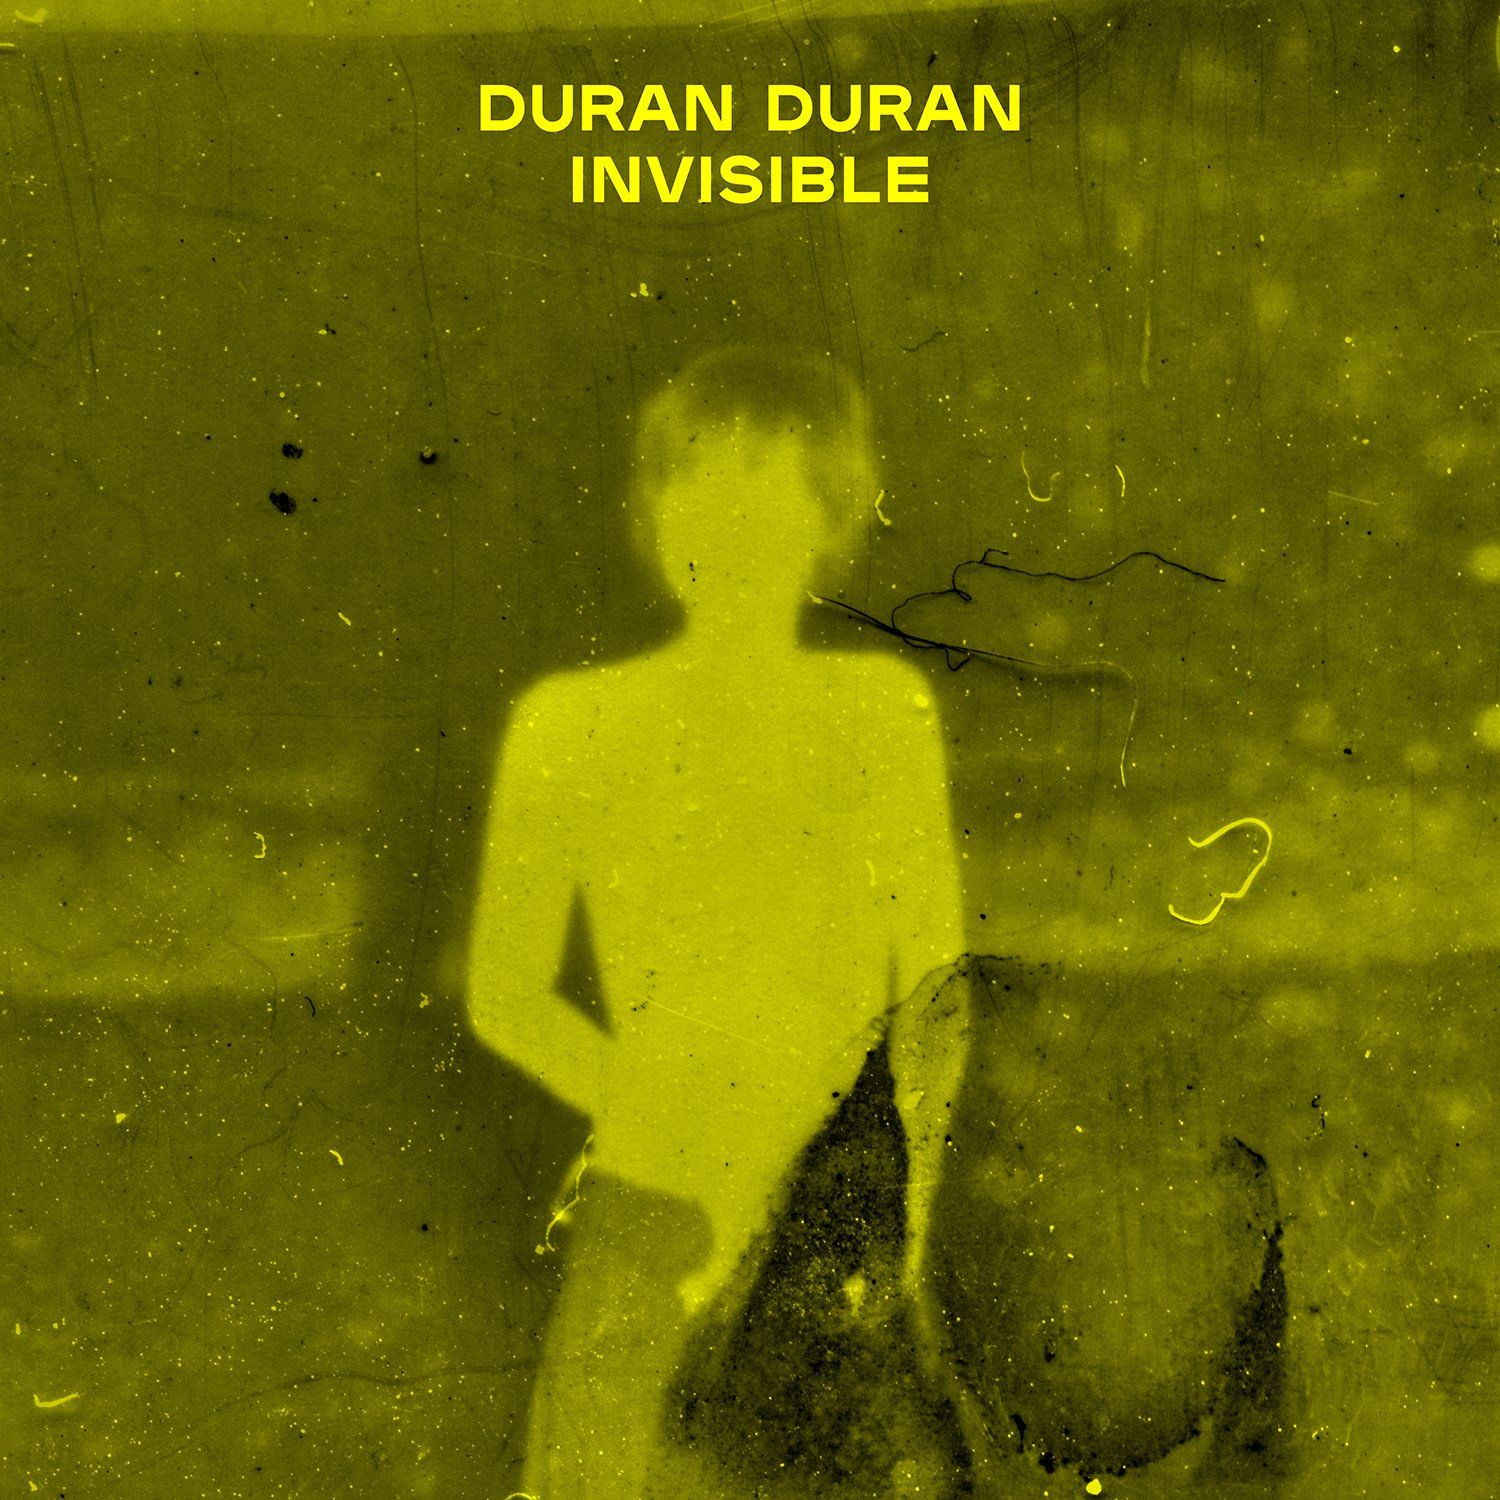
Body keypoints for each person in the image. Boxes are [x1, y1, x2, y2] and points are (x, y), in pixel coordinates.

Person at [466, 345, 965, 1498]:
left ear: (830, 519)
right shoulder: (570, 724)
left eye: (769, 497)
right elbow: (507, 991)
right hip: (652, 1211)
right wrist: (671, 1121)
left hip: (833, 1221)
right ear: (653, 516)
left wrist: (894, 1212)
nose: (732, 533)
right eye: (700, 491)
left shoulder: (879, 715)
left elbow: (939, 990)